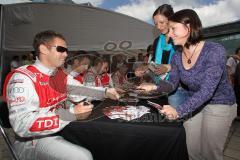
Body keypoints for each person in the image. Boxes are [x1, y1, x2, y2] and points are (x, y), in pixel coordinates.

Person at [3, 30, 120, 160]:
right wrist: (70, 114)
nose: (66, 54)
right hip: (32, 141)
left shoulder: (59, 75)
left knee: (99, 143)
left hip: (61, 130)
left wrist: (105, 92)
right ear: (43, 49)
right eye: (61, 49)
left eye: (66, 50)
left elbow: (81, 91)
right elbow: (22, 125)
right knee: (82, 157)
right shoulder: (23, 78)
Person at [137, 9, 237, 160]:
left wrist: (178, 111)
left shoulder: (214, 50)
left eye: (173, 29)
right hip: (194, 102)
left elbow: (207, 90)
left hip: (220, 103)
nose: (169, 34)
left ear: (188, 27)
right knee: (192, 150)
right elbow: (172, 83)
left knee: (209, 153)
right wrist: (155, 87)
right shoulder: (177, 55)